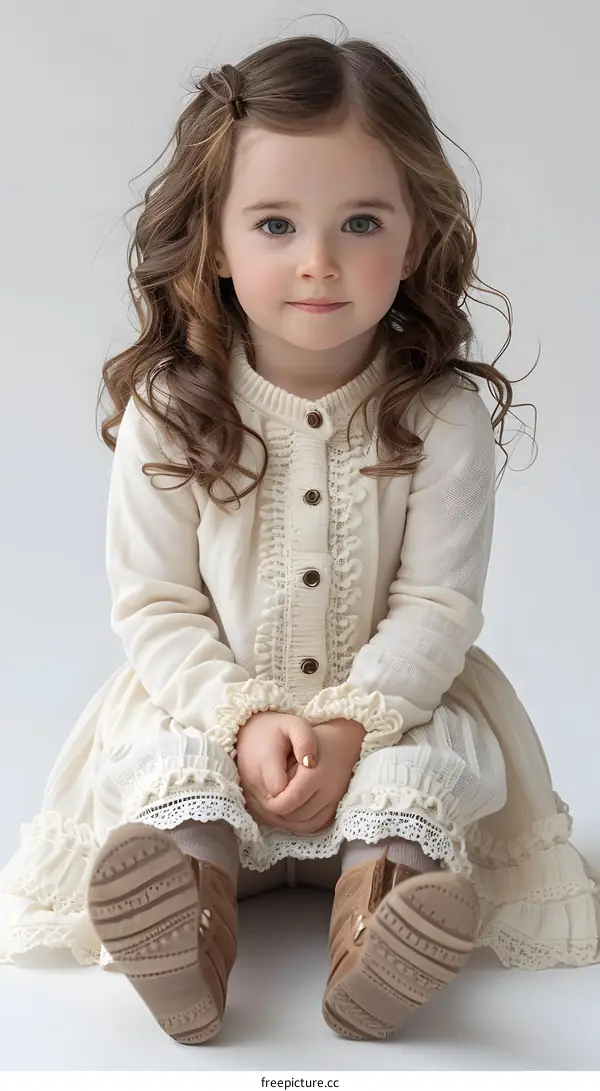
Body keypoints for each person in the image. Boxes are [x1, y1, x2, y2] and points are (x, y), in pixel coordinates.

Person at [1, 32, 598, 1047]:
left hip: (387, 718)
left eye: (360, 221)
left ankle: (381, 923)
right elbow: (156, 604)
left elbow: (437, 606)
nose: (318, 260)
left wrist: (354, 724)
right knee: (166, 758)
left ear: (412, 240)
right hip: (214, 704)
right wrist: (240, 719)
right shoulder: (172, 404)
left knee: (424, 773)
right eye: (276, 223)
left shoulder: (437, 408)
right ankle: (187, 922)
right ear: (215, 242)